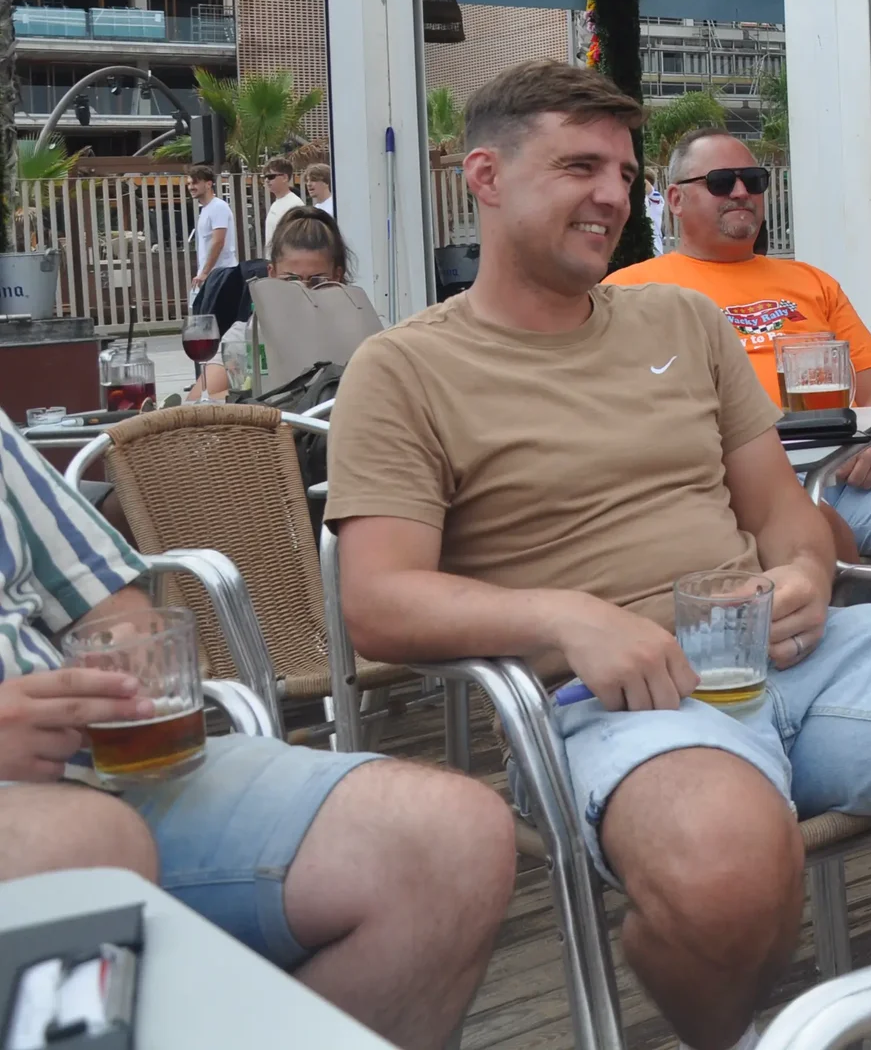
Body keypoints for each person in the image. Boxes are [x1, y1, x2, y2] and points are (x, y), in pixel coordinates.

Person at [327, 62, 871, 1050]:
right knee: (729, 880)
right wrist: (567, 616)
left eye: (624, 173)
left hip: (792, 647)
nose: (612, 198)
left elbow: (782, 512)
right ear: (484, 176)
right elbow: (379, 600)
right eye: (580, 167)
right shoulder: (406, 367)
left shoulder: (683, 323)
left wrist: (801, 573)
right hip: (612, 703)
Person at [0, 415, 515, 1049]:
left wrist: (128, 659)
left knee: (453, 838)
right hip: (53, 814)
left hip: (96, 763)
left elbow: (109, 600)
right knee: (83, 844)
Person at [607, 130, 871, 559]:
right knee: (815, 537)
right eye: (721, 181)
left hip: (847, 468)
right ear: (676, 199)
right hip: (729, 483)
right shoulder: (630, 291)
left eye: (753, 180)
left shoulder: (810, 282)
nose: (741, 192)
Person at [188, 207, 350, 402]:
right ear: (272, 274)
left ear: (337, 276)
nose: (303, 290)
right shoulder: (247, 335)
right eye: (291, 279)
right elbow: (196, 402)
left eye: (317, 280)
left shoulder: (357, 329)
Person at [187, 165, 236, 302]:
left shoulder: (218, 207)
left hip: (221, 273)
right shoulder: (206, 209)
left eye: (195, 183)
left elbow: (218, 241)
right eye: (189, 183)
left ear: (208, 184)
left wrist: (204, 272)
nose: (191, 187)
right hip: (211, 274)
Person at [262, 158, 307, 251]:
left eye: (271, 177)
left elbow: (297, 239)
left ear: (285, 178)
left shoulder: (294, 205)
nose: (267, 180)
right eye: (265, 177)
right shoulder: (277, 203)